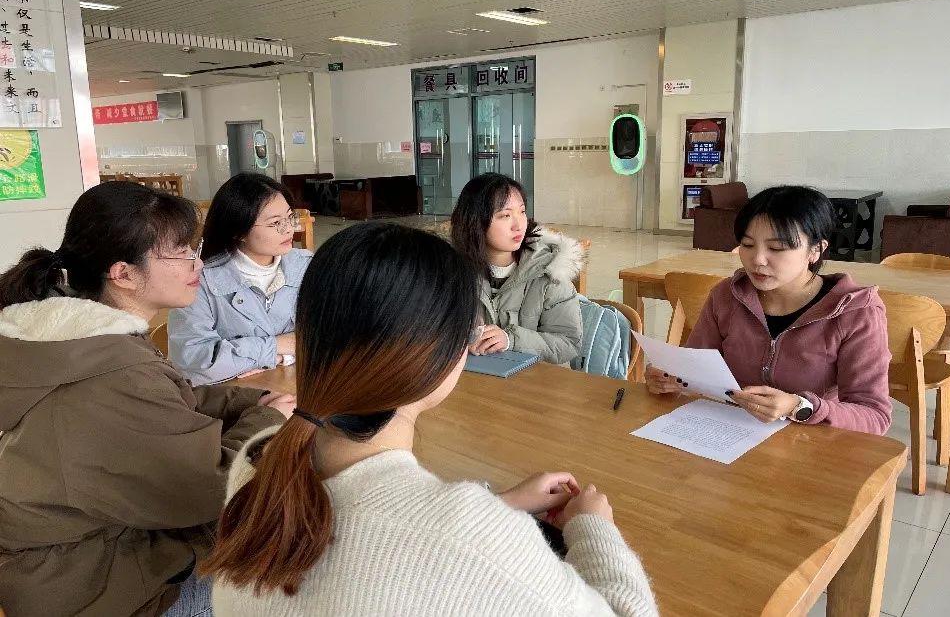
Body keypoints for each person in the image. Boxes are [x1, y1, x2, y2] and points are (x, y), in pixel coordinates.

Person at [201, 222, 657, 616]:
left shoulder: (260, 458)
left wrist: (499, 506)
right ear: (436, 359)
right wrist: (593, 528)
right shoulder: (471, 536)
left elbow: (393, 535)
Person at [0, 181, 294, 617]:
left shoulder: (74, 337)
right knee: (286, 566)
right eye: (180, 253)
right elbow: (212, 489)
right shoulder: (117, 372)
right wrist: (266, 423)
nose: (197, 263)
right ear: (123, 274)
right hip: (97, 589)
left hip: (70, 561)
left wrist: (249, 402)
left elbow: (171, 398)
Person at [647, 185, 891, 435]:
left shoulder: (856, 312)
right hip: (728, 432)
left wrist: (799, 407)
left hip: (811, 440)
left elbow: (874, 416)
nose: (758, 260)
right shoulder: (726, 295)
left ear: (816, 250)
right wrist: (670, 378)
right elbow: (694, 367)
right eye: (747, 244)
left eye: (776, 248)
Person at [168, 173, 312, 385]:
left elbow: (339, 335)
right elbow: (194, 363)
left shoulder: (309, 266)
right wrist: (277, 347)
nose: (289, 228)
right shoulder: (198, 281)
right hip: (233, 395)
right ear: (239, 231)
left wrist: (278, 357)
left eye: (290, 217)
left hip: (302, 386)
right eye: (275, 223)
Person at [450, 173, 583, 365]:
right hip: (475, 376)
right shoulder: (451, 271)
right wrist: (463, 338)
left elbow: (568, 344)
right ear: (475, 221)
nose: (519, 225)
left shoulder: (549, 271)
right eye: (505, 215)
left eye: (522, 212)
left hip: (538, 378)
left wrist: (510, 340)